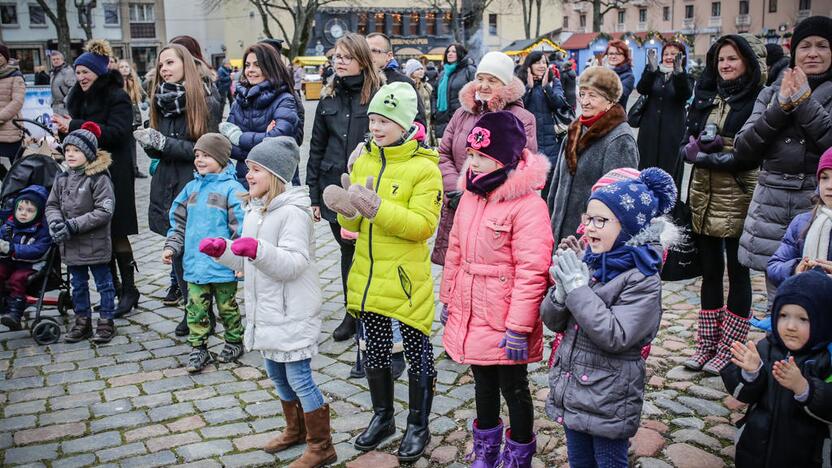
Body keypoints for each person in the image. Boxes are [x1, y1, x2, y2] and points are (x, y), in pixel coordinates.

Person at [321, 82, 442, 461]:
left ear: (405, 124)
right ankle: (382, 416)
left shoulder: (425, 169)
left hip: (406, 279)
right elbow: (354, 229)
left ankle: (418, 424)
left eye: (385, 120)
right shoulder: (364, 159)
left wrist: (376, 207)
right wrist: (347, 209)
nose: (375, 127)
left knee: (417, 349)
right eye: (372, 119)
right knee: (373, 349)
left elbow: (422, 225)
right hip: (369, 274)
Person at [201, 136, 337, 467]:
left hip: (293, 310)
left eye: (256, 169)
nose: (248, 174)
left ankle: (321, 446)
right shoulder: (256, 210)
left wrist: (257, 250)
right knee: (276, 374)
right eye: (248, 168)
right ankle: (295, 429)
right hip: (268, 311)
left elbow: (292, 263)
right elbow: (250, 261)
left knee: (299, 378)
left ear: (275, 175)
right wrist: (225, 253)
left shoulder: (294, 213)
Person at [542, 168, 677, 468]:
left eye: (600, 220)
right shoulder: (589, 260)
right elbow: (551, 321)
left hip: (610, 398)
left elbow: (616, 335)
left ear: (628, 225)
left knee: (609, 462)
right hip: (575, 388)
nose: (589, 228)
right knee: (579, 461)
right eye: (587, 219)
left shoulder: (642, 278)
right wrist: (562, 292)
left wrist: (577, 289)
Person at [440, 112, 553, 467]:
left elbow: (533, 270)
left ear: (504, 160)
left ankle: (519, 454)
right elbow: (455, 251)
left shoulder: (528, 206)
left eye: (480, 157)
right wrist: (448, 298)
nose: (471, 164)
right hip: (472, 309)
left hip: (504, 317)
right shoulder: (471, 196)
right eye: (470, 155)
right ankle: (486, 451)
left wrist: (519, 326)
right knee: (482, 384)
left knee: (514, 389)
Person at [678, 34, 766, 374]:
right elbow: (689, 139)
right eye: (721, 60)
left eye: (732, 58)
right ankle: (706, 345)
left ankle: (731, 349)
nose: (726, 65)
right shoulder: (707, 96)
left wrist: (707, 155)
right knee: (710, 273)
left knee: (738, 274)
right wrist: (692, 148)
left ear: (746, 62)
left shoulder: (756, 98)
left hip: (739, 195)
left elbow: (749, 155)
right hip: (704, 193)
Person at [734, 16, 832, 318]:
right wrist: (782, 106)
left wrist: (804, 102)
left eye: (822, 46)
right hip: (771, 204)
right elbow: (744, 147)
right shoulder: (771, 92)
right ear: (794, 52)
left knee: (819, 301)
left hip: (817, 202)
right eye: (805, 46)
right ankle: (778, 361)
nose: (812, 53)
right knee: (779, 295)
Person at [135, 44, 221, 335]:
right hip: (166, 185)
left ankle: (203, 312)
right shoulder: (160, 101)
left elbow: (205, 149)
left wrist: (163, 143)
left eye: (170, 63)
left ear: (185, 64)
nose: (164, 69)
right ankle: (193, 310)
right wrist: (149, 142)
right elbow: (157, 155)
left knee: (195, 255)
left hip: (194, 186)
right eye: (161, 66)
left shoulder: (204, 100)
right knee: (178, 256)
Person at [52, 39, 139, 319]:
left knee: (117, 229)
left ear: (99, 72)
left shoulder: (117, 95)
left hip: (115, 170)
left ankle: (129, 289)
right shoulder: (76, 97)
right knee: (97, 231)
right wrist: (63, 137)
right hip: (88, 172)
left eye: (85, 72)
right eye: (77, 73)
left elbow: (120, 132)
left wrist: (75, 126)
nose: (81, 77)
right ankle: (110, 290)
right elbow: (78, 135)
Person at [307, 33, 382, 342]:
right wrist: (313, 194)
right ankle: (352, 313)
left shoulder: (379, 94)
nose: (339, 61)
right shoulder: (327, 98)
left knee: (372, 251)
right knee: (347, 250)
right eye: (336, 56)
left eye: (346, 56)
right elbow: (316, 147)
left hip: (369, 187)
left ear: (362, 60)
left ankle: (374, 311)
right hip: (333, 188)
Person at [432, 51, 538, 266]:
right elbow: (443, 154)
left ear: (506, 84)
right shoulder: (462, 114)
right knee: (455, 265)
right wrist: (458, 189)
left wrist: (479, 192)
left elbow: (522, 164)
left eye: (492, 80)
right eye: (480, 79)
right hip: (457, 202)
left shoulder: (523, 119)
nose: (484, 85)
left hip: (496, 211)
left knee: (484, 267)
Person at [722, 270, 832, 468]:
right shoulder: (767, 347)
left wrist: (804, 388)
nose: (790, 326)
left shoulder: (826, 359)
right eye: (783, 315)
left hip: (806, 454)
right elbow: (745, 394)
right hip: (756, 448)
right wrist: (751, 372)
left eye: (803, 319)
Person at [163, 133, 245, 373]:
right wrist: (171, 246)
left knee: (227, 306)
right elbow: (177, 222)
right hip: (195, 266)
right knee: (195, 307)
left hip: (222, 265)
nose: (199, 159)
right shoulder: (191, 188)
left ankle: (233, 339)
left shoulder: (232, 189)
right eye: (197, 155)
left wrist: (239, 261)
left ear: (220, 158)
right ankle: (198, 347)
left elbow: (239, 227)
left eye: (207, 155)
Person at [547, 66, 639, 244]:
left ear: (610, 101)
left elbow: (618, 201)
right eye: (582, 94)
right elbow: (556, 184)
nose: (585, 101)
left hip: (590, 240)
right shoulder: (575, 129)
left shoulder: (620, 139)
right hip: (559, 233)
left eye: (593, 96)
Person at [45, 122, 118, 343]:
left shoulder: (99, 178)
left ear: (87, 153)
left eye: (76, 150)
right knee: (77, 285)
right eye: (67, 150)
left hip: (94, 242)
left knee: (104, 283)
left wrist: (73, 225)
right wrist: (57, 223)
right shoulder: (63, 178)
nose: (70, 154)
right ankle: (82, 320)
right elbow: (52, 205)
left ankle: (106, 320)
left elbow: (104, 211)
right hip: (71, 243)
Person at [221, 43, 300, 183]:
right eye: (247, 65)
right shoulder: (239, 101)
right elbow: (227, 147)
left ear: (270, 67)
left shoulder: (285, 100)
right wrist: (264, 138)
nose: (250, 70)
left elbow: (278, 143)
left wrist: (239, 138)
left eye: (257, 65)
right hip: (243, 179)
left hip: (275, 181)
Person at [767, 148, 832, 288]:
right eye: (824, 177)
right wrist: (795, 269)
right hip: (808, 305)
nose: (829, 186)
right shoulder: (802, 222)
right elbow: (774, 265)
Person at [635, 41, 693, 181]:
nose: (669, 57)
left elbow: (685, 94)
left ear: (682, 57)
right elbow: (641, 89)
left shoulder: (686, 76)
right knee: (646, 169)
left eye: (673, 54)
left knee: (669, 172)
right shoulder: (653, 72)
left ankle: (669, 201)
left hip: (673, 132)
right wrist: (651, 71)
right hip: (649, 130)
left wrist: (678, 73)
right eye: (666, 53)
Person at [518, 51, 570, 199]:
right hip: (528, 140)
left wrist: (546, 87)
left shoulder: (554, 82)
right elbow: (518, 107)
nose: (542, 65)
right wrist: (528, 87)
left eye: (544, 62)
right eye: (537, 62)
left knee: (549, 188)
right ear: (529, 65)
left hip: (551, 140)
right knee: (526, 185)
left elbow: (559, 103)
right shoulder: (521, 82)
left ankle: (547, 216)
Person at [0, 186, 52, 331]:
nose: (23, 214)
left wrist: (12, 248)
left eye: (29, 211)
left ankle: (15, 314)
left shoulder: (42, 230)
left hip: (30, 265)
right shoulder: (8, 227)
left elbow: (38, 250)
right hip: (9, 261)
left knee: (17, 279)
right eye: (20, 209)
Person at [365, 33, 425, 126]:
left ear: (389, 56)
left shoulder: (403, 83)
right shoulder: (355, 80)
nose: (368, 55)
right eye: (364, 50)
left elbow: (418, 122)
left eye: (374, 51)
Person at [432, 43, 478, 138]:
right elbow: (434, 94)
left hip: (463, 118)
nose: (450, 53)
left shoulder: (469, 70)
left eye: (454, 51)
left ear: (460, 53)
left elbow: (476, 93)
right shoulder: (443, 74)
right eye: (448, 51)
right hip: (442, 119)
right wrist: (434, 111)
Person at [118, 59, 148, 179]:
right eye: (122, 67)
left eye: (126, 66)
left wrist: (145, 103)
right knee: (121, 146)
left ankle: (134, 169)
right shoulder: (116, 83)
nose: (125, 68)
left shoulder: (134, 82)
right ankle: (124, 169)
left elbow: (145, 96)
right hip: (120, 118)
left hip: (133, 119)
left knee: (132, 146)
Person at [0, 43, 25, 167]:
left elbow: (17, 101)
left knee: (16, 167)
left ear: (5, 57)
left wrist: (1, 117)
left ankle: (15, 186)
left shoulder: (15, 76)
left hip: (10, 129)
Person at [404, 58, 435, 145]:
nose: (421, 71)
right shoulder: (407, 86)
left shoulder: (427, 86)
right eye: (417, 69)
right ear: (411, 72)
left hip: (427, 120)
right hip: (413, 120)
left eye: (421, 69)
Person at [604, 40, 634, 109]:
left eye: (618, 54)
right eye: (611, 53)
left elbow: (618, 95)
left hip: (616, 116)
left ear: (625, 56)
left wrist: (605, 73)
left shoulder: (628, 76)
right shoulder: (602, 70)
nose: (613, 56)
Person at [49, 51, 76, 115]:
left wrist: (66, 101)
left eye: (57, 59)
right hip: (56, 106)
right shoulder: (52, 73)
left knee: (66, 124)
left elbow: (73, 87)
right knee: (58, 124)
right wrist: (52, 102)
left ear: (62, 60)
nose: (55, 61)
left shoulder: (67, 71)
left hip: (65, 107)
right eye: (53, 59)